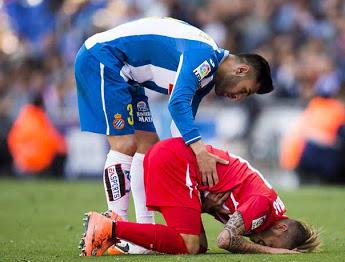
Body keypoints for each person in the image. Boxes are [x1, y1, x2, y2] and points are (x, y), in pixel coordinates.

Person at [74, 17, 274, 228]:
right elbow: (177, 103)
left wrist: (197, 184)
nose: (238, 97)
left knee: (149, 147)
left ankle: (144, 230)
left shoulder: (206, 75)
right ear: (241, 70)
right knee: (125, 144)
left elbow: (178, 130)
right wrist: (200, 152)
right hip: (103, 58)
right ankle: (113, 228)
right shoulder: (204, 55)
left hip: (127, 73)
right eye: (245, 90)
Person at [79, 138, 320, 256]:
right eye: (271, 243)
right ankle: (109, 228)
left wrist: (202, 207)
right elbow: (225, 240)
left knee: (197, 248)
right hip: (177, 162)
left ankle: (112, 230)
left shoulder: (266, 209)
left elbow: (215, 239)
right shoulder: (264, 206)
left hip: (177, 165)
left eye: (267, 247)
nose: (262, 244)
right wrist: (275, 253)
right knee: (189, 244)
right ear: (280, 228)